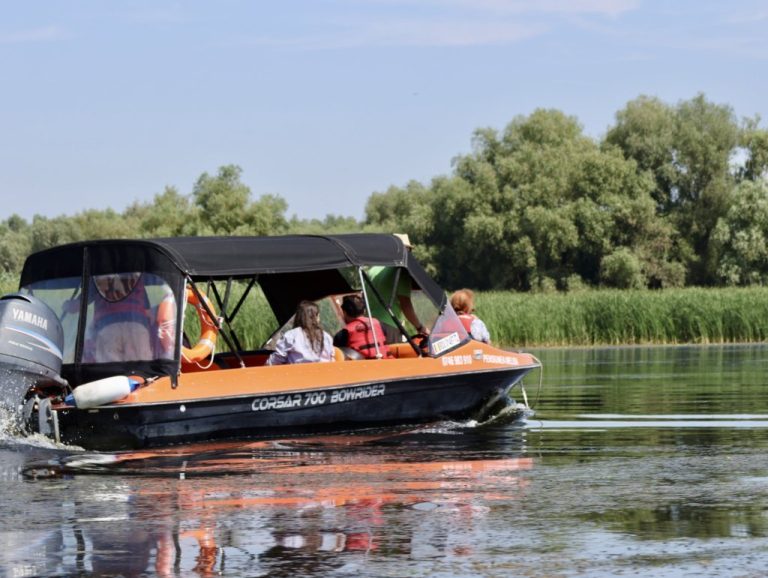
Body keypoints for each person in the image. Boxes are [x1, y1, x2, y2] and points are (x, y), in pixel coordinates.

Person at [367, 233, 428, 344]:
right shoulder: (400, 272)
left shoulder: (372, 270)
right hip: (389, 324)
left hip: (370, 325)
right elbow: (406, 305)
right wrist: (420, 327)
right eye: (408, 250)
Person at [267, 300, 335, 365]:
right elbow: (332, 359)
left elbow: (276, 359)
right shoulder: (326, 336)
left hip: (297, 375)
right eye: (318, 316)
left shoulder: (291, 336)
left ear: (299, 317)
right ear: (316, 318)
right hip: (324, 374)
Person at [333, 294, 391, 359]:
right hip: (387, 363)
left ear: (344, 312)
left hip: (364, 367)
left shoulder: (343, 334)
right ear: (364, 310)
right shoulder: (378, 323)